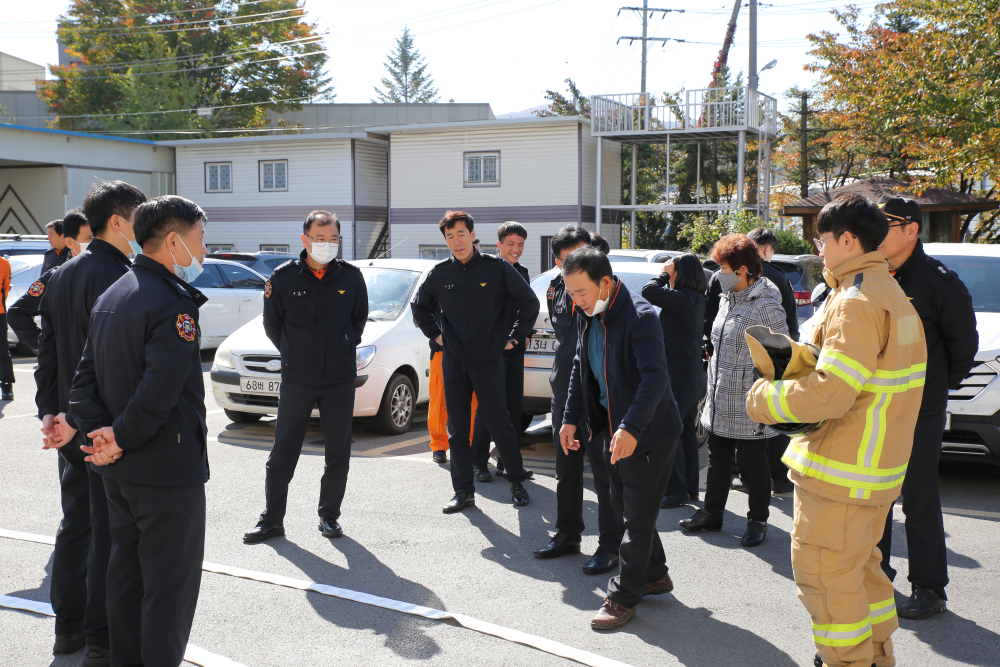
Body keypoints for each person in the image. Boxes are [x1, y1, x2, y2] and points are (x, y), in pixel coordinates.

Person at [746, 193, 926, 667]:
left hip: (839, 472)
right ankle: (878, 655)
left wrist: (761, 399)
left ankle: (849, 661)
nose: (817, 248)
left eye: (821, 239)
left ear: (847, 240)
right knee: (862, 575)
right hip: (874, 474)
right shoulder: (890, 295)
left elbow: (830, 393)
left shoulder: (854, 301)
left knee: (826, 579)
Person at [67, 195, 211, 667]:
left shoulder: (116, 292)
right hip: (165, 469)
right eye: (200, 240)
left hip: (119, 473)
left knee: (125, 578)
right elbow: (159, 391)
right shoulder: (172, 303)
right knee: (169, 590)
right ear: (174, 241)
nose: (204, 252)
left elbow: (83, 380)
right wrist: (118, 438)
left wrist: (100, 438)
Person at [35, 180, 146, 666]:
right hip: (103, 429)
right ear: (119, 221)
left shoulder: (62, 273)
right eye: (140, 218)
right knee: (111, 531)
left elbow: (48, 354)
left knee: (75, 523)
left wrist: (50, 413)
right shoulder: (126, 277)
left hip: (68, 423)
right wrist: (84, 421)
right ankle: (102, 638)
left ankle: (68, 628)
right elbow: (107, 362)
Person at [558, 247, 681, 630]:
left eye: (581, 293)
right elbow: (581, 365)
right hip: (610, 428)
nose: (576, 302)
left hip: (648, 433)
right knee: (627, 509)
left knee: (637, 518)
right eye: (570, 294)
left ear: (606, 283)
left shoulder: (641, 317)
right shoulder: (589, 314)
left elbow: (655, 378)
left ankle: (624, 597)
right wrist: (569, 419)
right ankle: (655, 574)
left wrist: (630, 428)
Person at [875, 195, 978, 619]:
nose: (875, 234)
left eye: (885, 226)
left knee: (917, 497)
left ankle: (929, 587)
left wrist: (934, 389)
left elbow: (963, 348)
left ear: (911, 230)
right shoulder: (874, 275)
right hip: (876, 406)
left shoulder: (939, 281)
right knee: (874, 496)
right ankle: (876, 577)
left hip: (919, 410)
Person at [244, 211, 368, 543]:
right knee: (283, 450)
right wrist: (295, 351)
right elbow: (273, 325)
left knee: (338, 452)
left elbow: (358, 323)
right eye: (319, 238)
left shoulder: (352, 278)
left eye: (333, 239)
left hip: (339, 379)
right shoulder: (282, 278)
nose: (326, 245)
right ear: (305, 239)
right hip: (297, 378)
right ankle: (272, 519)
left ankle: (329, 516)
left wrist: (340, 348)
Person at [411, 210, 538, 513]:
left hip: (488, 360)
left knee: (500, 422)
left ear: (472, 234)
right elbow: (420, 308)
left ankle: (517, 481)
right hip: (454, 362)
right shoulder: (440, 273)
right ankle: (463, 491)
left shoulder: (496, 269)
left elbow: (528, 303)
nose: (456, 241)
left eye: (461, 234)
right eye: (450, 236)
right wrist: (438, 336)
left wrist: (514, 338)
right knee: (457, 429)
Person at [679, 234, 787, 548]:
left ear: (741, 270)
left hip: (749, 399)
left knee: (754, 463)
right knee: (718, 457)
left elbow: (781, 357)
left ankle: (757, 520)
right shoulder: (730, 297)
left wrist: (761, 390)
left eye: (723, 268)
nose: (717, 274)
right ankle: (712, 514)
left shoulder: (765, 304)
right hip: (720, 393)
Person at [533, 225, 623, 576]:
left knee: (604, 475)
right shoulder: (557, 288)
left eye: (582, 253)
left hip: (599, 392)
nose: (575, 263)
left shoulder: (604, 287)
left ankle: (610, 545)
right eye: (566, 260)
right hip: (566, 389)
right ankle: (568, 533)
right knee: (566, 469)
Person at [641, 253, 708, 508]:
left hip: (682, 376)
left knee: (669, 429)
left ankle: (676, 489)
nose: (669, 273)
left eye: (673, 270)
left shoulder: (684, 298)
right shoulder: (691, 299)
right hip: (688, 375)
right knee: (684, 433)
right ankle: (689, 489)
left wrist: (663, 273)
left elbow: (649, 291)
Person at [471, 221, 531, 480]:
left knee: (515, 408)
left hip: (515, 348)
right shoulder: (486, 270)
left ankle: (509, 462)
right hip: (490, 351)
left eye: (520, 245)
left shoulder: (524, 272)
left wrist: (522, 335)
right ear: (499, 245)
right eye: (511, 244)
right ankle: (478, 463)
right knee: (488, 408)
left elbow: (526, 308)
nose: (516, 249)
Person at [747, 227, 800, 495]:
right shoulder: (779, 277)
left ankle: (756, 476)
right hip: (779, 352)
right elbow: (790, 319)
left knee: (756, 413)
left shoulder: (743, 274)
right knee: (775, 413)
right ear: (768, 249)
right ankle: (779, 477)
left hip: (751, 352)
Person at [7, 211, 91, 355]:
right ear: (69, 241)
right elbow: (17, 312)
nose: (48, 237)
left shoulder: (103, 272)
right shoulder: (54, 271)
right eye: (89, 238)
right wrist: (45, 343)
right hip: (65, 358)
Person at [0, 253, 12, 401]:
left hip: (0, 312)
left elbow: (6, 288)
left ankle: (7, 384)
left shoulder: (4, 263)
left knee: (3, 350)